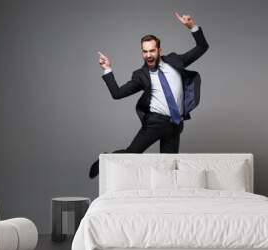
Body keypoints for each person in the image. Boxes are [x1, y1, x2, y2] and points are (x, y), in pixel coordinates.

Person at [89, 12, 209, 178]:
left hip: (175, 124)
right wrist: (107, 69)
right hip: (155, 122)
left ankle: (167, 199)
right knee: (132, 153)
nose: (148, 55)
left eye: (152, 51)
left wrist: (191, 27)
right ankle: (105, 159)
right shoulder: (140, 75)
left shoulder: (175, 61)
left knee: (170, 168)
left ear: (159, 50)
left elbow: (202, 47)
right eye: (145, 52)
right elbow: (117, 93)